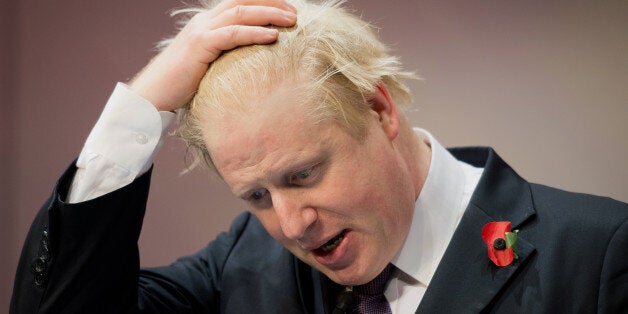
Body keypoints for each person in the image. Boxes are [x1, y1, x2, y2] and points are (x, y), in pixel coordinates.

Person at [10, 0, 628, 313]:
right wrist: (140, 108)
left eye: (304, 174)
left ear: (379, 109)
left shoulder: (600, 254)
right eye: (256, 197)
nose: (292, 225)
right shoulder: (241, 268)